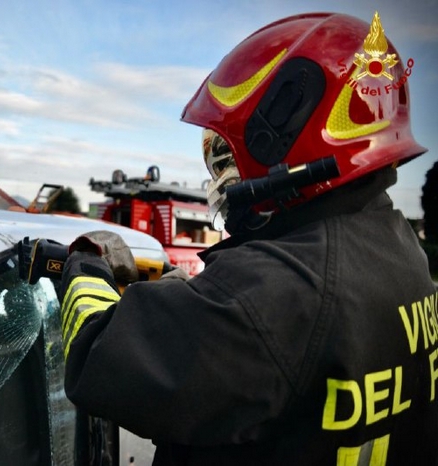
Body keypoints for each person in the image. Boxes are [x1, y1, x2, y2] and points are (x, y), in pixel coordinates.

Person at [58, 11, 438, 465]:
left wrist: (86, 266)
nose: (222, 177)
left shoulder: (272, 294)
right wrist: (195, 295)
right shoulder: (400, 252)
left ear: (283, 135)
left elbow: (98, 359)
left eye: (225, 156)